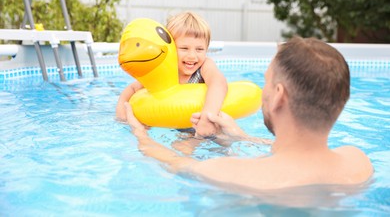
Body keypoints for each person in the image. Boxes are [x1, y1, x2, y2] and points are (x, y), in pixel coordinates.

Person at [125, 36, 374, 191]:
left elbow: (175, 162)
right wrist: (240, 137)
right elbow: (297, 155)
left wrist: (138, 132)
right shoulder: (358, 162)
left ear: (278, 95)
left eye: (266, 83)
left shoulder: (239, 174)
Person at [116, 11, 228, 138]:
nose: (192, 56)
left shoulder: (205, 66)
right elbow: (132, 89)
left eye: (200, 49)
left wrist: (208, 117)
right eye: (184, 48)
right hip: (169, 125)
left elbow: (218, 82)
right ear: (171, 49)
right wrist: (122, 115)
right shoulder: (163, 71)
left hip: (197, 126)